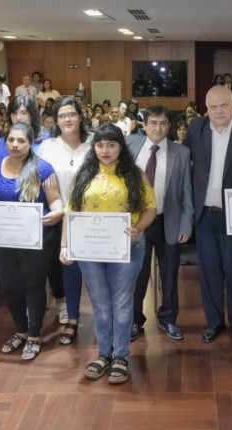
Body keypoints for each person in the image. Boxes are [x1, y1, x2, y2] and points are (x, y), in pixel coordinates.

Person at [60, 124, 157, 385]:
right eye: (100, 145)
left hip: (127, 248)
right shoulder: (84, 174)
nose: (105, 150)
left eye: (111, 145)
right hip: (90, 250)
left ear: (120, 147)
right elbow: (70, 212)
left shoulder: (134, 174)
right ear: (94, 147)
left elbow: (151, 208)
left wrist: (138, 230)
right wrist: (64, 245)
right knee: (101, 304)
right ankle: (104, 354)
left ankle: (121, 356)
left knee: (122, 303)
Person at [0, 123, 63, 361]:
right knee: (10, 287)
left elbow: (56, 201)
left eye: (21, 140)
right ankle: (20, 330)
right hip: (3, 239)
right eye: (11, 140)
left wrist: (57, 213)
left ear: (30, 143)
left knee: (33, 285)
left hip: (35, 239)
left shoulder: (42, 168)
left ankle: (34, 335)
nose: (15, 145)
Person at [187, 85, 232, 345]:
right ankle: (214, 322)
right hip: (205, 214)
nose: (218, 111)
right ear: (206, 109)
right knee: (209, 272)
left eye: (224, 106)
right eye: (213, 107)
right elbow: (184, 163)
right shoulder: (196, 128)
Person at [128, 105, 193, 342]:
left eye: (163, 123)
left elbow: (187, 193)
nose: (158, 128)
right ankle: (135, 320)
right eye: (153, 123)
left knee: (169, 275)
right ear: (144, 125)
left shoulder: (181, 152)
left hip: (169, 221)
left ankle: (168, 319)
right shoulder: (130, 145)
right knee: (138, 274)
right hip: (139, 224)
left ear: (170, 126)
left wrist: (186, 224)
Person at [38, 96, 91, 344]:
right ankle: (72, 318)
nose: (67, 119)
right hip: (58, 217)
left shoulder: (94, 144)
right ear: (55, 121)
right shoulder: (47, 147)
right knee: (68, 267)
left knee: (95, 271)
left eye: (71, 114)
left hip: (90, 218)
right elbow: (43, 182)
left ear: (80, 117)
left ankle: (103, 317)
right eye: (62, 116)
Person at [0, 95, 42, 163]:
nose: (18, 118)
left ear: (32, 115)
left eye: (23, 113)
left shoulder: (45, 143)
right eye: (14, 113)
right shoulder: (1, 143)